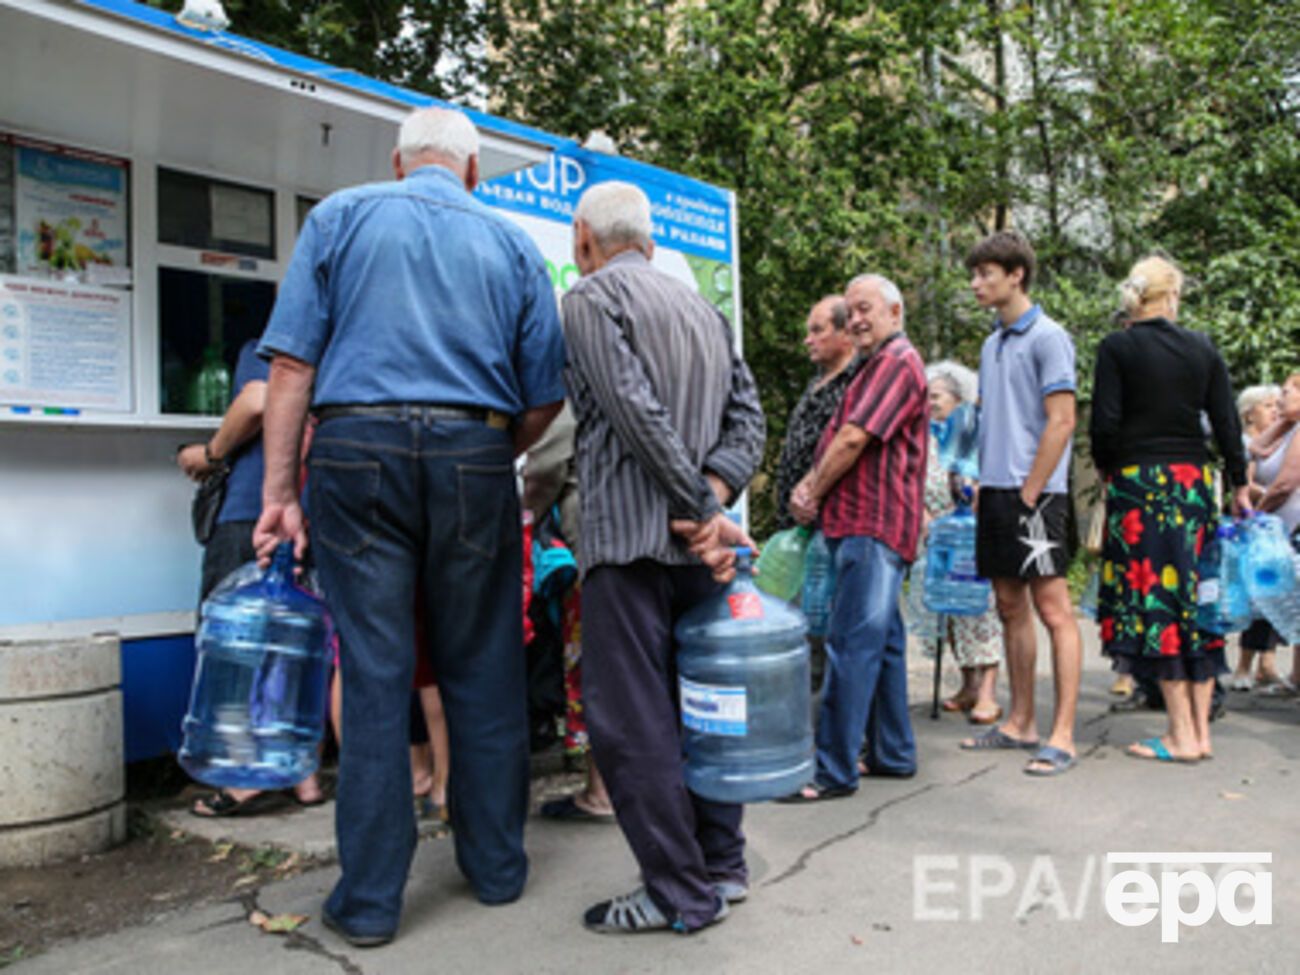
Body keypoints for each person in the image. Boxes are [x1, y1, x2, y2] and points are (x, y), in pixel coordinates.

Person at [252, 107, 566, 947]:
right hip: (475, 449)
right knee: (484, 664)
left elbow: (291, 366)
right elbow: (545, 395)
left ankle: (368, 903)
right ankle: (496, 868)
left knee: (375, 671)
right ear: (472, 171)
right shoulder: (512, 245)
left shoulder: (339, 217)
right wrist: (487, 449)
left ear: (398, 163)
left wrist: (280, 492)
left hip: (355, 450)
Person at [561, 181, 764, 933]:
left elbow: (632, 411)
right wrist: (714, 498)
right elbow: (749, 421)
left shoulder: (589, 300)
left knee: (631, 721)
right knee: (704, 711)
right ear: (649, 242)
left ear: (585, 239)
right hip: (699, 554)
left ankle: (680, 892)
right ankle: (722, 866)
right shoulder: (704, 311)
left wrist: (700, 508)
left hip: (629, 544)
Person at [1091, 256, 1249, 763]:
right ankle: (1198, 734)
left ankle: (1180, 735)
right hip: (1194, 486)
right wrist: (1240, 484)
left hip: (1139, 485)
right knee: (1198, 601)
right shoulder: (1203, 347)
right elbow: (1227, 423)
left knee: (1158, 602)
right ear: (1173, 296)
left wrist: (1109, 469)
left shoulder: (1117, 347)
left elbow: (1104, 425)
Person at [786, 273, 928, 796]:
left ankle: (832, 770)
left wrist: (812, 491)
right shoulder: (873, 365)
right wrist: (810, 484)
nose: (857, 319)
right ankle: (892, 751)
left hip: (874, 524)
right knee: (882, 644)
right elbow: (837, 439)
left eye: (865, 308)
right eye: (851, 311)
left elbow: (851, 440)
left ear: (895, 310)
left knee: (850, 646)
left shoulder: (896, 362)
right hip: (864, 524)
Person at [176, 339, 325, 816]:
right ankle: (301, 774)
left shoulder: (274, 344)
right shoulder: (341, 344)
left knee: (237, 647)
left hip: (253, 511)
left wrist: (210, 454)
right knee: (292, 645)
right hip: (313, 511)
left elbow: (259, 400)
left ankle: (243, 777)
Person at [960, 230, 1082, 776]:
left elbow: (1062, 421)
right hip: (995, 491)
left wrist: (1031, 490)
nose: (976, 283)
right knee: (1010, 606)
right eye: (974, 274)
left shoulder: (1050, 337)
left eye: (986, 273)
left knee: (1054, 610)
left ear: (1017, 275)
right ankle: (1020, 722)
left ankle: (1063, 736)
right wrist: (984, 484)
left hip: (1038, 494)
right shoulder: (991, 344)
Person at [523, 406, 614, 822]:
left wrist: (525, 515)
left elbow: (546, 466)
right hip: (652, 538)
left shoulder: (574, 385)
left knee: (593, 666)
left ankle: (601, 791)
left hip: (592, 545)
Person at [923, 361, 1004, 724]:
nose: (929, 403)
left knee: (981, 610)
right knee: (950, 612)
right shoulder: (924, 436)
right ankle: (968, 684)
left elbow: (989, 479)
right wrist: (925, 517)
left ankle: (988, 692)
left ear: (959, 398)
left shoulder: (975, 431)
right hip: (938, 536)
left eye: (936, 396)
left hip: (972, 534)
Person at [772, 296, 861, 529]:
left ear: (846, 333)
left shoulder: (858, 381)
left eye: (817, 330)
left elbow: (848, 445)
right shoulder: (817, 380)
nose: (808, 340)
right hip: (794, 521)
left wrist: (812, 492)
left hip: (830, 520)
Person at [1248, 372, 1300, 697]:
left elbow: (1285, 484)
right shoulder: (1290, 429)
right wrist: (1283, 420)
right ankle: (1297, 677)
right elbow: (1257, 446)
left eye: (1287, 392)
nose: (1279, 399)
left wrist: (1256, 514)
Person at [1231, 385, 1284, 690]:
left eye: (1277, 404)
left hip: (1272, 527)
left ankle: (1267, 663)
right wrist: (1272, 494)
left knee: (1273, 597)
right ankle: (1244, 666)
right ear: (1249, 413)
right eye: (1268, 405)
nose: (1275, 410)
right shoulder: (1246, 444)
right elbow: (1244, 484)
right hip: (1253, 527)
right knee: (1256, 599)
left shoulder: (1275, 442)